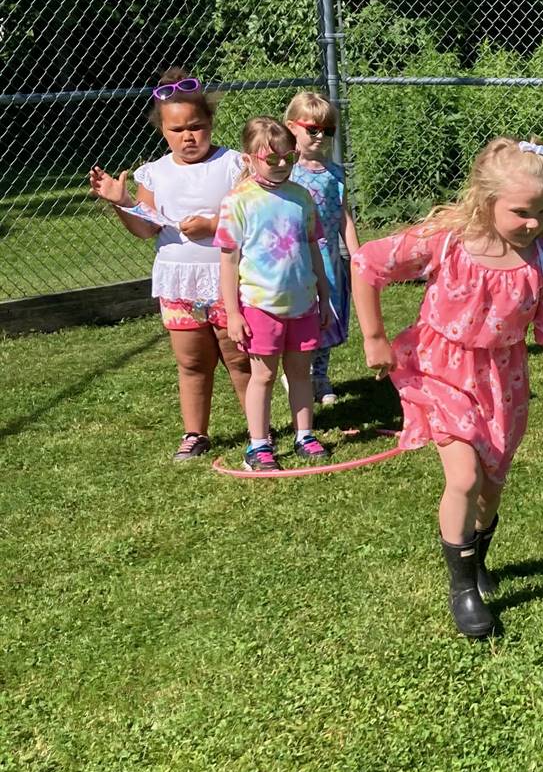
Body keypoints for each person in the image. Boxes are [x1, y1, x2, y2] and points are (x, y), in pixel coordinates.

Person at [352, 137, 543, 640]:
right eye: (522, 211)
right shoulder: (447, 240)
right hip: (441, 369)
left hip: (503, 381)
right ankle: (462, 589)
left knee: (489, 488)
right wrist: (374, 337)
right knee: (462, 478)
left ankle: (477, 556)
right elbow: (367, 264)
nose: (535, 223)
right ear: (487, 202)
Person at [87, 70, 248, 462]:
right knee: (192, 362)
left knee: (239, 359)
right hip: (178, 283)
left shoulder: (232, 164)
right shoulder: (155, 174)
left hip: (228, 279)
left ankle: (258, 430)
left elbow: (253, 215)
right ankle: (195, 433)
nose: (188, 136)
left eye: (197, 126)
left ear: (210, 123)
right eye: (177, 129)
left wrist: (213, 225)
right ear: (162, 130)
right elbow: (145, 228)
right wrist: (121, 202)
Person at [216, 117, 331, 473]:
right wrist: (233, 314)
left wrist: (323, 297)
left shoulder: (301, 197)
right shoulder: (238, 202)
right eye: (272, 159)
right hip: (261, 306)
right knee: (263, 376)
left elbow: (313, 249)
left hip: (302, 302)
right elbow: (228, 262)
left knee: (300, 372)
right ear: (249, 159)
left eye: (289, 158)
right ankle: (258, 444)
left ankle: (305, 435)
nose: (282, 165)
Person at [283, 90, 359, 409]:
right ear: (291, 128)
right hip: (298, 260)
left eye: (327, 131)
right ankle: (297, 371)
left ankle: (320, 376)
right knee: (304, 316)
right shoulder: (285, 172)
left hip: (329, 260)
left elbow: (343, 217)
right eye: (312, 129)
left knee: (327, 319)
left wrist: (357, 257)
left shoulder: (334, 173)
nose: (320, 137)